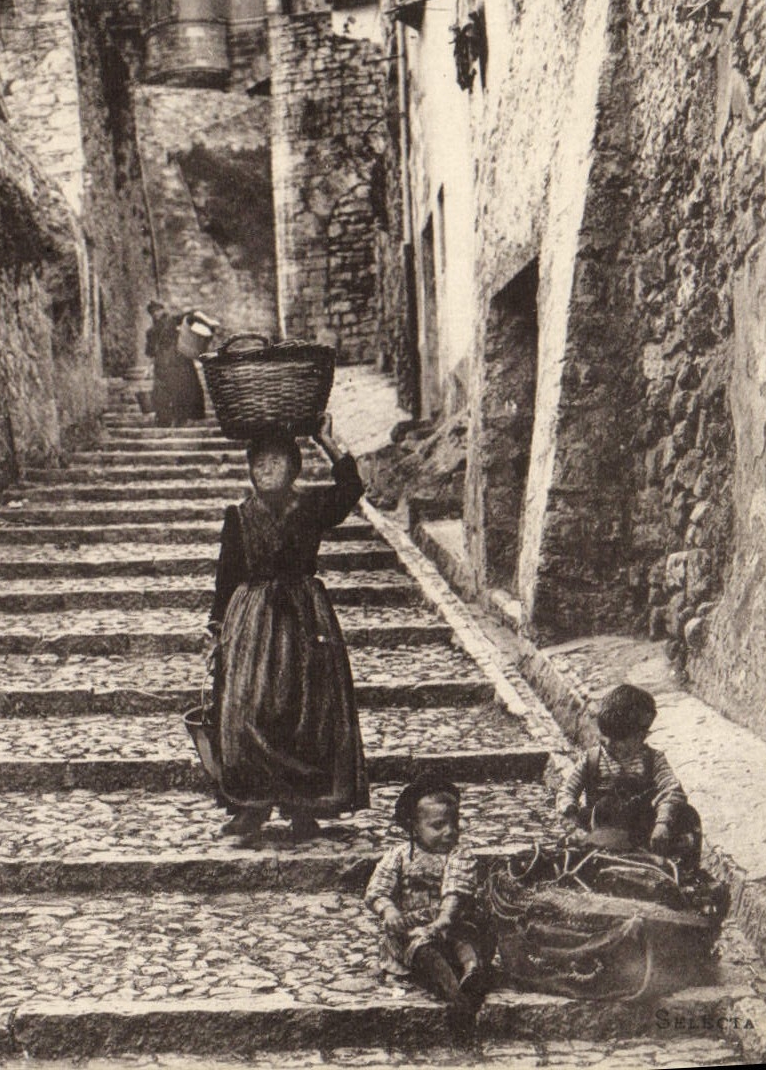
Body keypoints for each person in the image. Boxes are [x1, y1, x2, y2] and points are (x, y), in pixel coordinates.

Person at [207, 412, 369, 842]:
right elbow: (226, 577)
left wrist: (326, 441)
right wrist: (217, 631)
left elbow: (352, 489)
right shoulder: (238, 516)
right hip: (253, 619)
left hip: (303, 618)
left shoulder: (311, 506)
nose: (267, 471)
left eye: (276, 463)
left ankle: (303, 809)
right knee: (246, 711)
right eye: (259, 465)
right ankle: (252, 809)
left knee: (308, 712)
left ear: (293, 467)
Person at [365, 774, 487, 1033]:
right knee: (423, 949)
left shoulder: (459, 854)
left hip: (452, 921)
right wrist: (389, 910)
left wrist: (445, 918)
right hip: (414, 929)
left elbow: (456, 887)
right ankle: (456, 996)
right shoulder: (398, 856)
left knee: (465, 937)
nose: (449, 832)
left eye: (454, 824)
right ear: (414, 827)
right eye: (438, 825)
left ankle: (471, 970)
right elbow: (378, 889)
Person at [558, 683, 702, 867]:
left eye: (619, 740)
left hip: (642, 836)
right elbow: (566, 792)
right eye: (605, 738)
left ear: (640, 736)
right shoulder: (591, 760)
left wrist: (663, 823)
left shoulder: (652, 760)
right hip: (601, 834)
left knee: (687, 817)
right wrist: (571, 824)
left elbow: (672, 789)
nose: (609, 744)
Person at [144, 300, 206, 427]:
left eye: (157, 310)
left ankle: (179, 419)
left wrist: (191, 314)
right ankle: (166, 419)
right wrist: (149, 367)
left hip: (177, 361)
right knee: (165, 391)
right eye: (152, 312)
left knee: (180, 388)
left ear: (162, 310)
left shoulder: (171, 321)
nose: (155, 314)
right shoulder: (151, 331)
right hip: (165, 363)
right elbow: (150, 352)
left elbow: (189, 317)